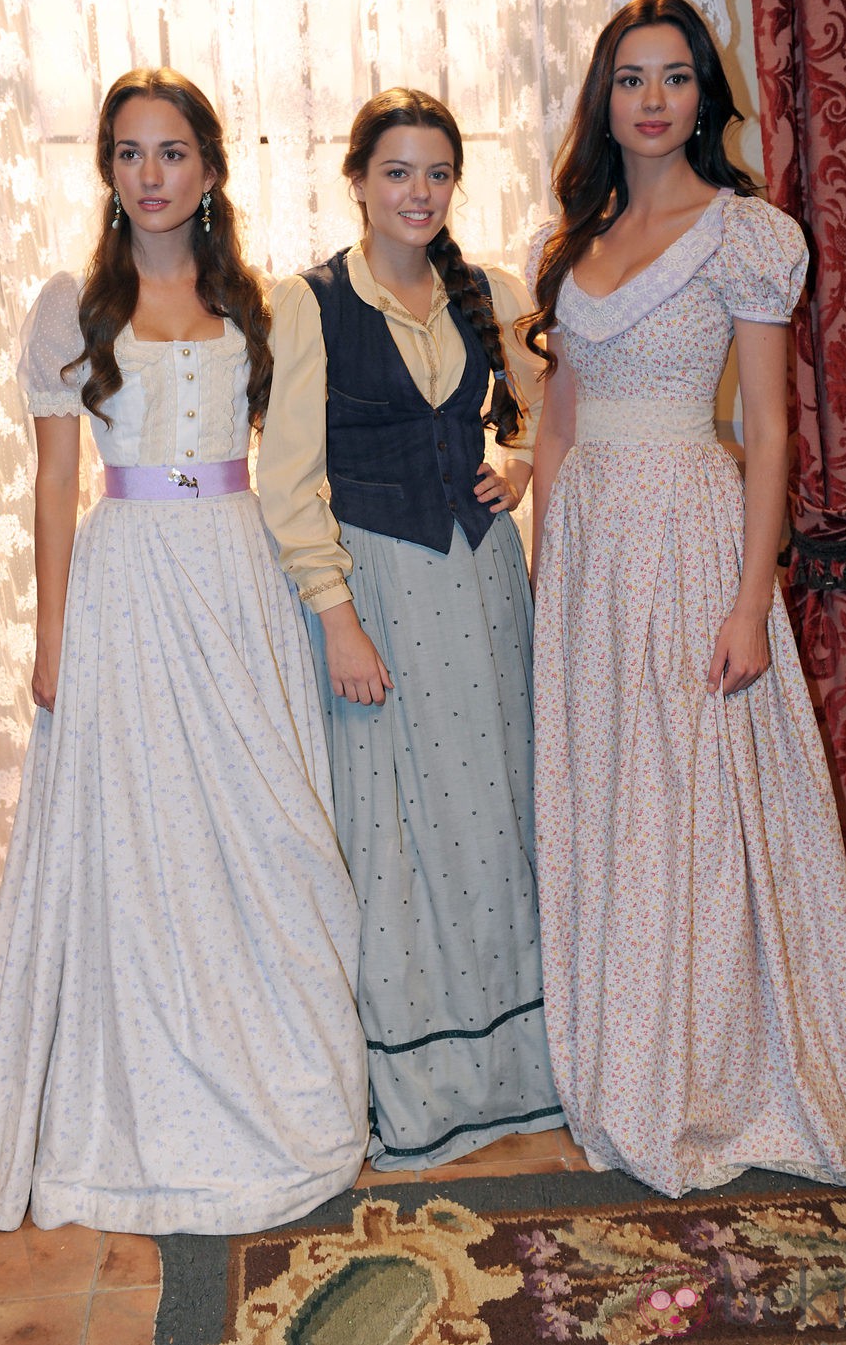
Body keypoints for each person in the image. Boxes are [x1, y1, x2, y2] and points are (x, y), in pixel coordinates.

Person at [0, 69, 368, 1234]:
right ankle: (145, 1107)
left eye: (171, 151)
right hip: (126, 584)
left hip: (233, 578)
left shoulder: (270, 307)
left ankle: (278, 1095)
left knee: (263, 837)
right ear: (108, 172)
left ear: (210, 166)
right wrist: (49, 638)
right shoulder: (69, 308)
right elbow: (53, 482)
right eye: (129, 153)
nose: (150, 173)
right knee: (142, 842)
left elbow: (294, 474)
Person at [527, 0, 846, 1197]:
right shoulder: (572, 241)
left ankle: (711, 1072)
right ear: (604, 98)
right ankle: (622, 1056)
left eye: (672, 76)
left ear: (702, 95)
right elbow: (559, 416)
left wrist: (751, 598)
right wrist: (546, 568)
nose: (649, 98)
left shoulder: (744, 232)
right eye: (628, 77)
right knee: (614, 801)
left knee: (693, 807)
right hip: (589, 549)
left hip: (689, 532)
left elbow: (772, 434)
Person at [257, 88, 563, 1171]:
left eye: (436, 172)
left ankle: (519, 1073)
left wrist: (519, 466)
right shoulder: (306, 304)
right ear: (357, 181)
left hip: (480, 588)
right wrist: (335, 620)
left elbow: (555, 401)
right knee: (391, 835)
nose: (418, 193)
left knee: (494, 819)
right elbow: (286, 479)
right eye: (397, 172)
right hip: (374, 590)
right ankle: (416, 1085)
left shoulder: (489, 291)